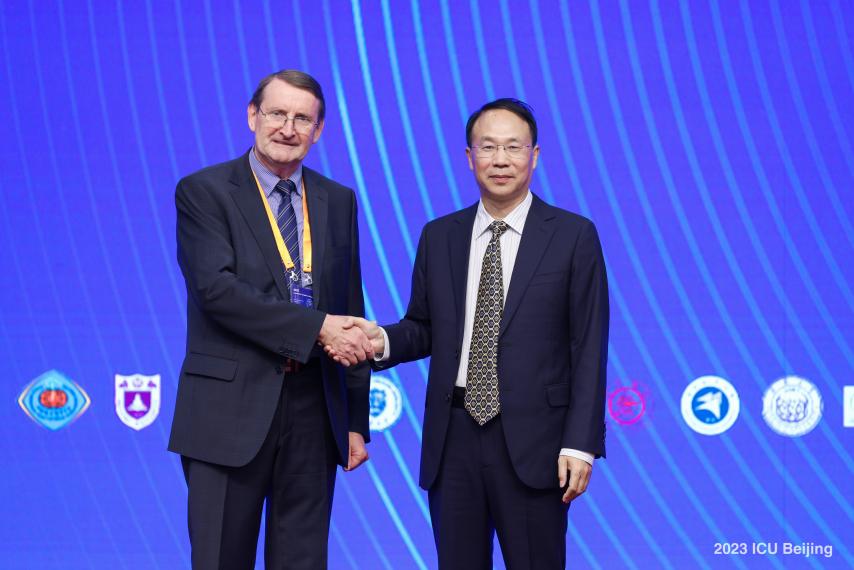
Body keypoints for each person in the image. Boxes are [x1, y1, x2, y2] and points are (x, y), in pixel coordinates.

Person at [330, 98, 609, 569]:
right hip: (453, 439)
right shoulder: (440, 236)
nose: (500, 160)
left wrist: (580, 444)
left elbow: (588, 346)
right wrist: (382, 340)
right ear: (469, 156)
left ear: (535, 156)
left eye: (513, 147)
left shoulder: (573, 236)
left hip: (536, 443)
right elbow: (424, 327)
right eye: (488, 147)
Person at [168, 69, 374, 569]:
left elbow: (349, 306)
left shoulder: (338, 200)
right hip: (227, 410)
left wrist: (354, 420)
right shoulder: (204, 191)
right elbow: (217, 291)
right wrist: (315, 328)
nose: (287, 127)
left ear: (318, 130)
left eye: (302, 118)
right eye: (277, 113)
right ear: (252, 116)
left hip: (313, 412)